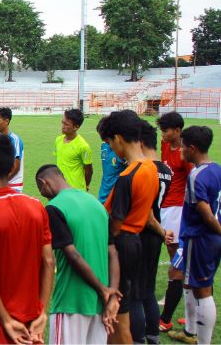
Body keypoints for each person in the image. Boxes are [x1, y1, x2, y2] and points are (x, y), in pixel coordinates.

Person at [0, 134, 54, 344]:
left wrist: (6, 320)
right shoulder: (36, 206)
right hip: (32, 322)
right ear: (10, 168)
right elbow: (49, 261)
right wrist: (42, 313)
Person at [35, 164, 121, 344]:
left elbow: (72, 255)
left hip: (71, 301)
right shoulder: (96, 204)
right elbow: (112, 252)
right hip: (100, 304)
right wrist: (110, 293)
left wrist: (103, 290)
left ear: (44, 183)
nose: (44, 195)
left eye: (41, 190)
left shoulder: (54, 208)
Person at [98, 110, 159, 344]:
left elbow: (116, 222)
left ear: (118, 138)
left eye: (110, 142)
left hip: (122, 245)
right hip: (136, 242)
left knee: (118, 317)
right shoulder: (151, 167)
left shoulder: (128, 176)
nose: (111, 148)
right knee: (124, 307)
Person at [167, 126, 221, 345]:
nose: (180, 151)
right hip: (208, 239)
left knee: (202, 289)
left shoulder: (195, 176)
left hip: (200, 238)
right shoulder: (217, 168)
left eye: (182, 147)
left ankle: (203, 342)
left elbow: (207, 215)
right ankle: (190, 332)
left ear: (192, 148)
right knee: (190, 283)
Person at [130, 120, 173, 344]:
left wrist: (161, 229)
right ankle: (153, 337)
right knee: (148, 288)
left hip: (142, 232)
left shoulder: (144, 169)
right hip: (155, 238)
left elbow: (145, 212)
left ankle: (137, 339)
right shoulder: (166, 170)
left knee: (135, 293)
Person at [157, 111, 193, 332]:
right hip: (164, 207)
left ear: (178, 131)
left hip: (178, 209)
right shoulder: (164, 146)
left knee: (178, 258)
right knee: (173, 254)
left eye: (167, 130)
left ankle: (182, 307)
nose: (164, 134)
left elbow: (191, 183)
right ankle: (187, 305)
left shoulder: (185, 153)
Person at [54, 108, 93, 191]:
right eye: (62, 123)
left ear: (76, 127)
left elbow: (89, 170)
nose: (63, 126)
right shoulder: (58, 140)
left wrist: (86, 185)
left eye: (66, 124)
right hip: (60, 188)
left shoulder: (83, 146)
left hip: (76, 189)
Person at [0, 107, 25, 192]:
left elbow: (16, 167)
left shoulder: (15, 140)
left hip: (13, 187)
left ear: (6, 121)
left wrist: (1, 182)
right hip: (1, 185)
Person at [97, 118, 127, 204]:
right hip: (102, 196)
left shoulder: (123, 150)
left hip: (116, 199)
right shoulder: (104, 146)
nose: (103, 139)